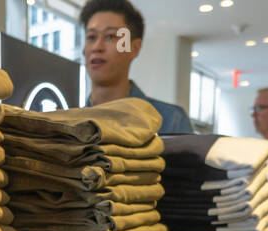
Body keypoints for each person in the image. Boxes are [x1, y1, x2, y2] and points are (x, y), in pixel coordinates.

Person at [79, 0, 192, 136]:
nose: (97, 47)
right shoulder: (68, 126)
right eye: (91, 37)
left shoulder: (170, 121)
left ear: (134, 48)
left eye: (110, 36)